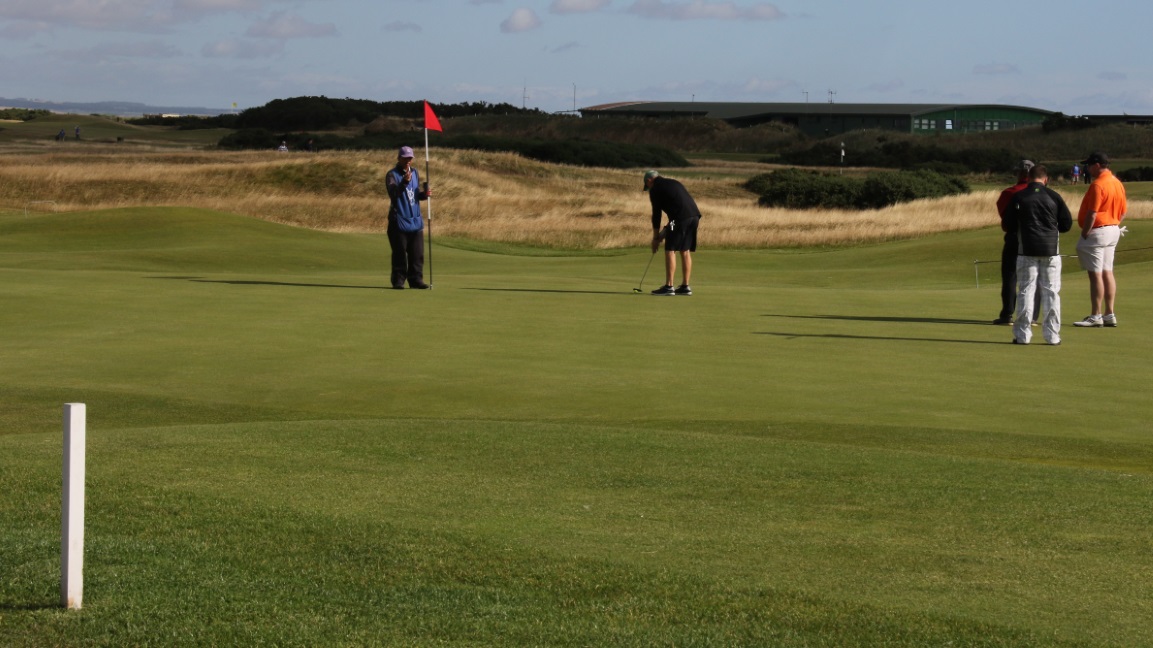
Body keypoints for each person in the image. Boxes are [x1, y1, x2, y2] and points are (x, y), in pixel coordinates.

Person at [1002, 165, 1072, 345]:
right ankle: (1052, 336)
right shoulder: (1054, 196)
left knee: (1026, 290)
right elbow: (1066, 225)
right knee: (1051, 293)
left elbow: (1007, 224)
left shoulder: (1019, 196)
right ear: (1046, 179)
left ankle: (1022, 335)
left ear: (1028, 178)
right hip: (1051, 252)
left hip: (1026, 251)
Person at [1073, 152, 1127, 327]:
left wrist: (1085, 232)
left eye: (1089, 165)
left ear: (1097, 165)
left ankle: (1096, 315)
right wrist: (1114, 225)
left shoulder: (1098, 184)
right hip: (1113, 229)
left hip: (1098, 231)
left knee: (1095, 275)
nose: (1087, 169)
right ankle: (1109, 313)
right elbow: (1123, 211)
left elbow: (1092, 212)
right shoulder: (1117, 183)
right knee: (1107, 272)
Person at [643, 170, 702, 295]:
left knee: (670, 249)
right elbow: (673, 221)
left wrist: (655, 238)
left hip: (680, 219)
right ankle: (685, 286)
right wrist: (662, 234)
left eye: (647, 186)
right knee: (685, 250)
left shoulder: (655, 189)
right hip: (694, 217)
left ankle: (669, 286)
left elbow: (657, 215)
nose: (648, 189)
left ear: (649, 181)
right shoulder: (673, 182)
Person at [993, 160, 1036, 324]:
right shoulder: (1043, 192)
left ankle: (1007, 314)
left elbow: (1004, 218)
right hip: (1035, 238)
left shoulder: (1009, 193)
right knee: (1033, 277)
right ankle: (1030, 315)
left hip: (1014, 237)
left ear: (1019, 173)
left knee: (1010, 276)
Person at [385, 145, 431, 289]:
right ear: (399, 158)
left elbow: (415, 196)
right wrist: (404, 182)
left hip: (415, 220)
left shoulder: (415, 173)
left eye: (410, 158)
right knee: (399, 254)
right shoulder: (392, 175)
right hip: (398, 221)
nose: (408, 160)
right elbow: (394, 194)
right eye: (405, 158)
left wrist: (425, 195)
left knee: (417, 254)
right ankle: (398, 281)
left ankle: (416, 279)